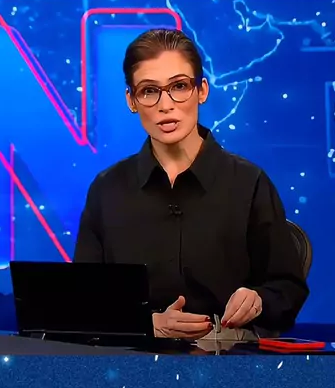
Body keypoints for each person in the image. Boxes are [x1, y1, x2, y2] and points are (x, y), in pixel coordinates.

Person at [74, 28, 309, 340]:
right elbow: (85, 302)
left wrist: (258, 300)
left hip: (229, 359)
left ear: (202, 90)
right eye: (149, 91)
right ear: (132, 100)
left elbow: (288, 290)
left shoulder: (249, 183)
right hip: (134, 359)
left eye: (179, 86)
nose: (165, 105)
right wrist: (145, 325)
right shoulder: (107, 190)